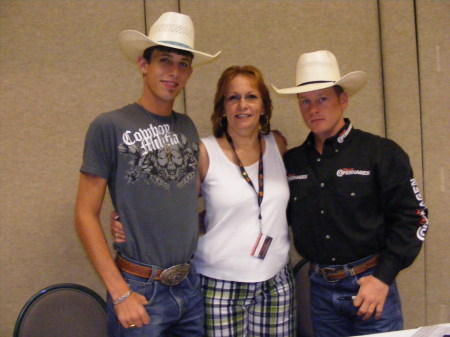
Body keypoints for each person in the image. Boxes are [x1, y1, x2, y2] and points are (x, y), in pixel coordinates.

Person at [113, 65, 295, 336]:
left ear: (264, 106)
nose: (242, 105)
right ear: (222, 108)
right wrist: (125, 218)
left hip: (276, 283)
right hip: (220, 285)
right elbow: (170, 204)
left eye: (251, 97)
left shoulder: (277, 146)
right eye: (232, 97)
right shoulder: (203, 151)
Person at [75, 12, 220, 337]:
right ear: (144, 64)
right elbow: (84, 214)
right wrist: (120, 293)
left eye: (183, 64)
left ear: (190, 72)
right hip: (140, 289)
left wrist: (133, 213)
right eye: (164, 61)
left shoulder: (187, 126)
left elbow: (179, 194)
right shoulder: (109, 126)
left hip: (189, 286)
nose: (173, 72)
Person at [272, 50, 429, 336]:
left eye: (322, 99)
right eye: (305, 101)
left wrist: (382, 278)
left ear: (343, 100)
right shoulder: (291, 162)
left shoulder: (381, 153)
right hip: (319, 290)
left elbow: (414, 218)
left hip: (370, 286)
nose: (313, 109)